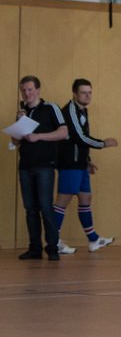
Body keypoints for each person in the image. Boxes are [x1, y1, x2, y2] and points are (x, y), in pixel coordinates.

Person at [54, 78, 118, 252]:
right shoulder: (70, 111)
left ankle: (93, 239)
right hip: (69, 164)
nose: (87, 95)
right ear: (74, 94)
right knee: (62, 201)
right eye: (83, 92)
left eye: (90, 92)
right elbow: (79, 137)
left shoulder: (83, 111)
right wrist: (103, 143)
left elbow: (81, 140)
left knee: (85, 198)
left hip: (80, 164)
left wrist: (87, 161)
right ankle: (54, 241)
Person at [14, 76, 68, 260]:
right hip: (25, 165)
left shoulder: (50, 108)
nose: (26, 94)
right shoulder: (22, 112)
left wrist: (39, 136)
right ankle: (34, 248)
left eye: (29, 90)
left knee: (46, 207)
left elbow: (64, 132)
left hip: (45, 165)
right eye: (23, 90)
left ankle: (52, 247)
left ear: (38, 90)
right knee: (30, 209)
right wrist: (18, 124)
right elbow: (15, 141)